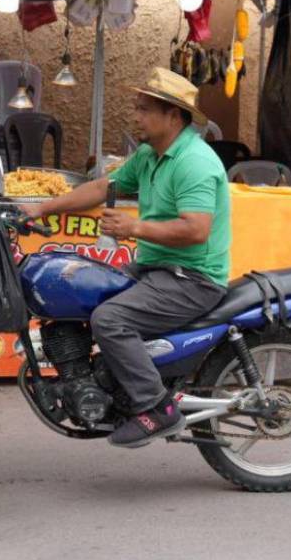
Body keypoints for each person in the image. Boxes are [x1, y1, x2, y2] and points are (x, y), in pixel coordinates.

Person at [23, 67, 230, 449]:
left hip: (192, 279)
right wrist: (41, 208)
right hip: (156, 268)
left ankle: (156, 407)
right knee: (88, 287)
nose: (135, 116)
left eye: (144, 109)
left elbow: (196, 229)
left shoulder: (193, 162)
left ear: (173, 115)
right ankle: (105, 384)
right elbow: (103, 187)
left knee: (111, 319)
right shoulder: (151, 156)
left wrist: (134, 228)